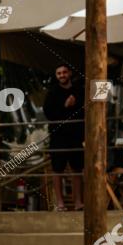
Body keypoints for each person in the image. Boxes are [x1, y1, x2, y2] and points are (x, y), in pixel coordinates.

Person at [43, 63, 84, 211]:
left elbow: (85, 110)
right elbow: (49, 114)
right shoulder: (52, 92)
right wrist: (65, 105)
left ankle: (78, 202)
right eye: (59, 73)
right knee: (57, 169)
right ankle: (60, 203)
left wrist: (75, 104)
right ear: (56, 76)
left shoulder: (79, 91)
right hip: (58, 136)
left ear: (70, 73)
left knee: (77, 168)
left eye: (64, 72)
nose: (62, 75)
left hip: (76, 135)